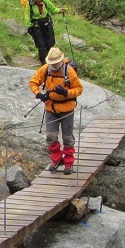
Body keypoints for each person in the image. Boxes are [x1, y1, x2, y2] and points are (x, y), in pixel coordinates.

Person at [28, 47, 83, 175]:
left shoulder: (69, 71)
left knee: (67, 137)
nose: (53, 66)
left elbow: (79, 89)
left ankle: (68, 163)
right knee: (50, 137)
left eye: (55, 63)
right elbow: (33, 82)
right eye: (51, 63)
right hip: (51, 108)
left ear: (61, 61)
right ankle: (57, 159)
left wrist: (65, 92)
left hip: (67, 109)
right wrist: (39, 95)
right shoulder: (45, 69)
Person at [20, 0, 64, 64]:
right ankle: (44, 62)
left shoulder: (44, 0)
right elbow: (27, 16)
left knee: (50, 43)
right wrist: (29, 26)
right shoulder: (29, 4)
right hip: (37, 26)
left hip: (47, 24)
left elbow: (53, 9)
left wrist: (60, 10)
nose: (39, 0)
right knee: (41, 44)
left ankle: (51, 60)